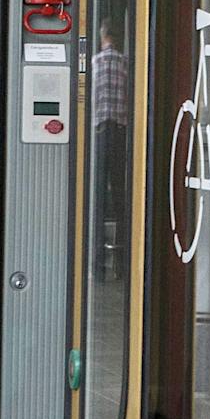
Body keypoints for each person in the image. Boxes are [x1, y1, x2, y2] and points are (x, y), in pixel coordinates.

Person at [91, 22, 128, 279]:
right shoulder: (126, 64)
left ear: (103, 36)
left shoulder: (95, 63)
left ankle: (98, 265)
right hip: (121, 134)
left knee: (98, 198)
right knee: (120, 195)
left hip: (101, 132)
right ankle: (122, 264)